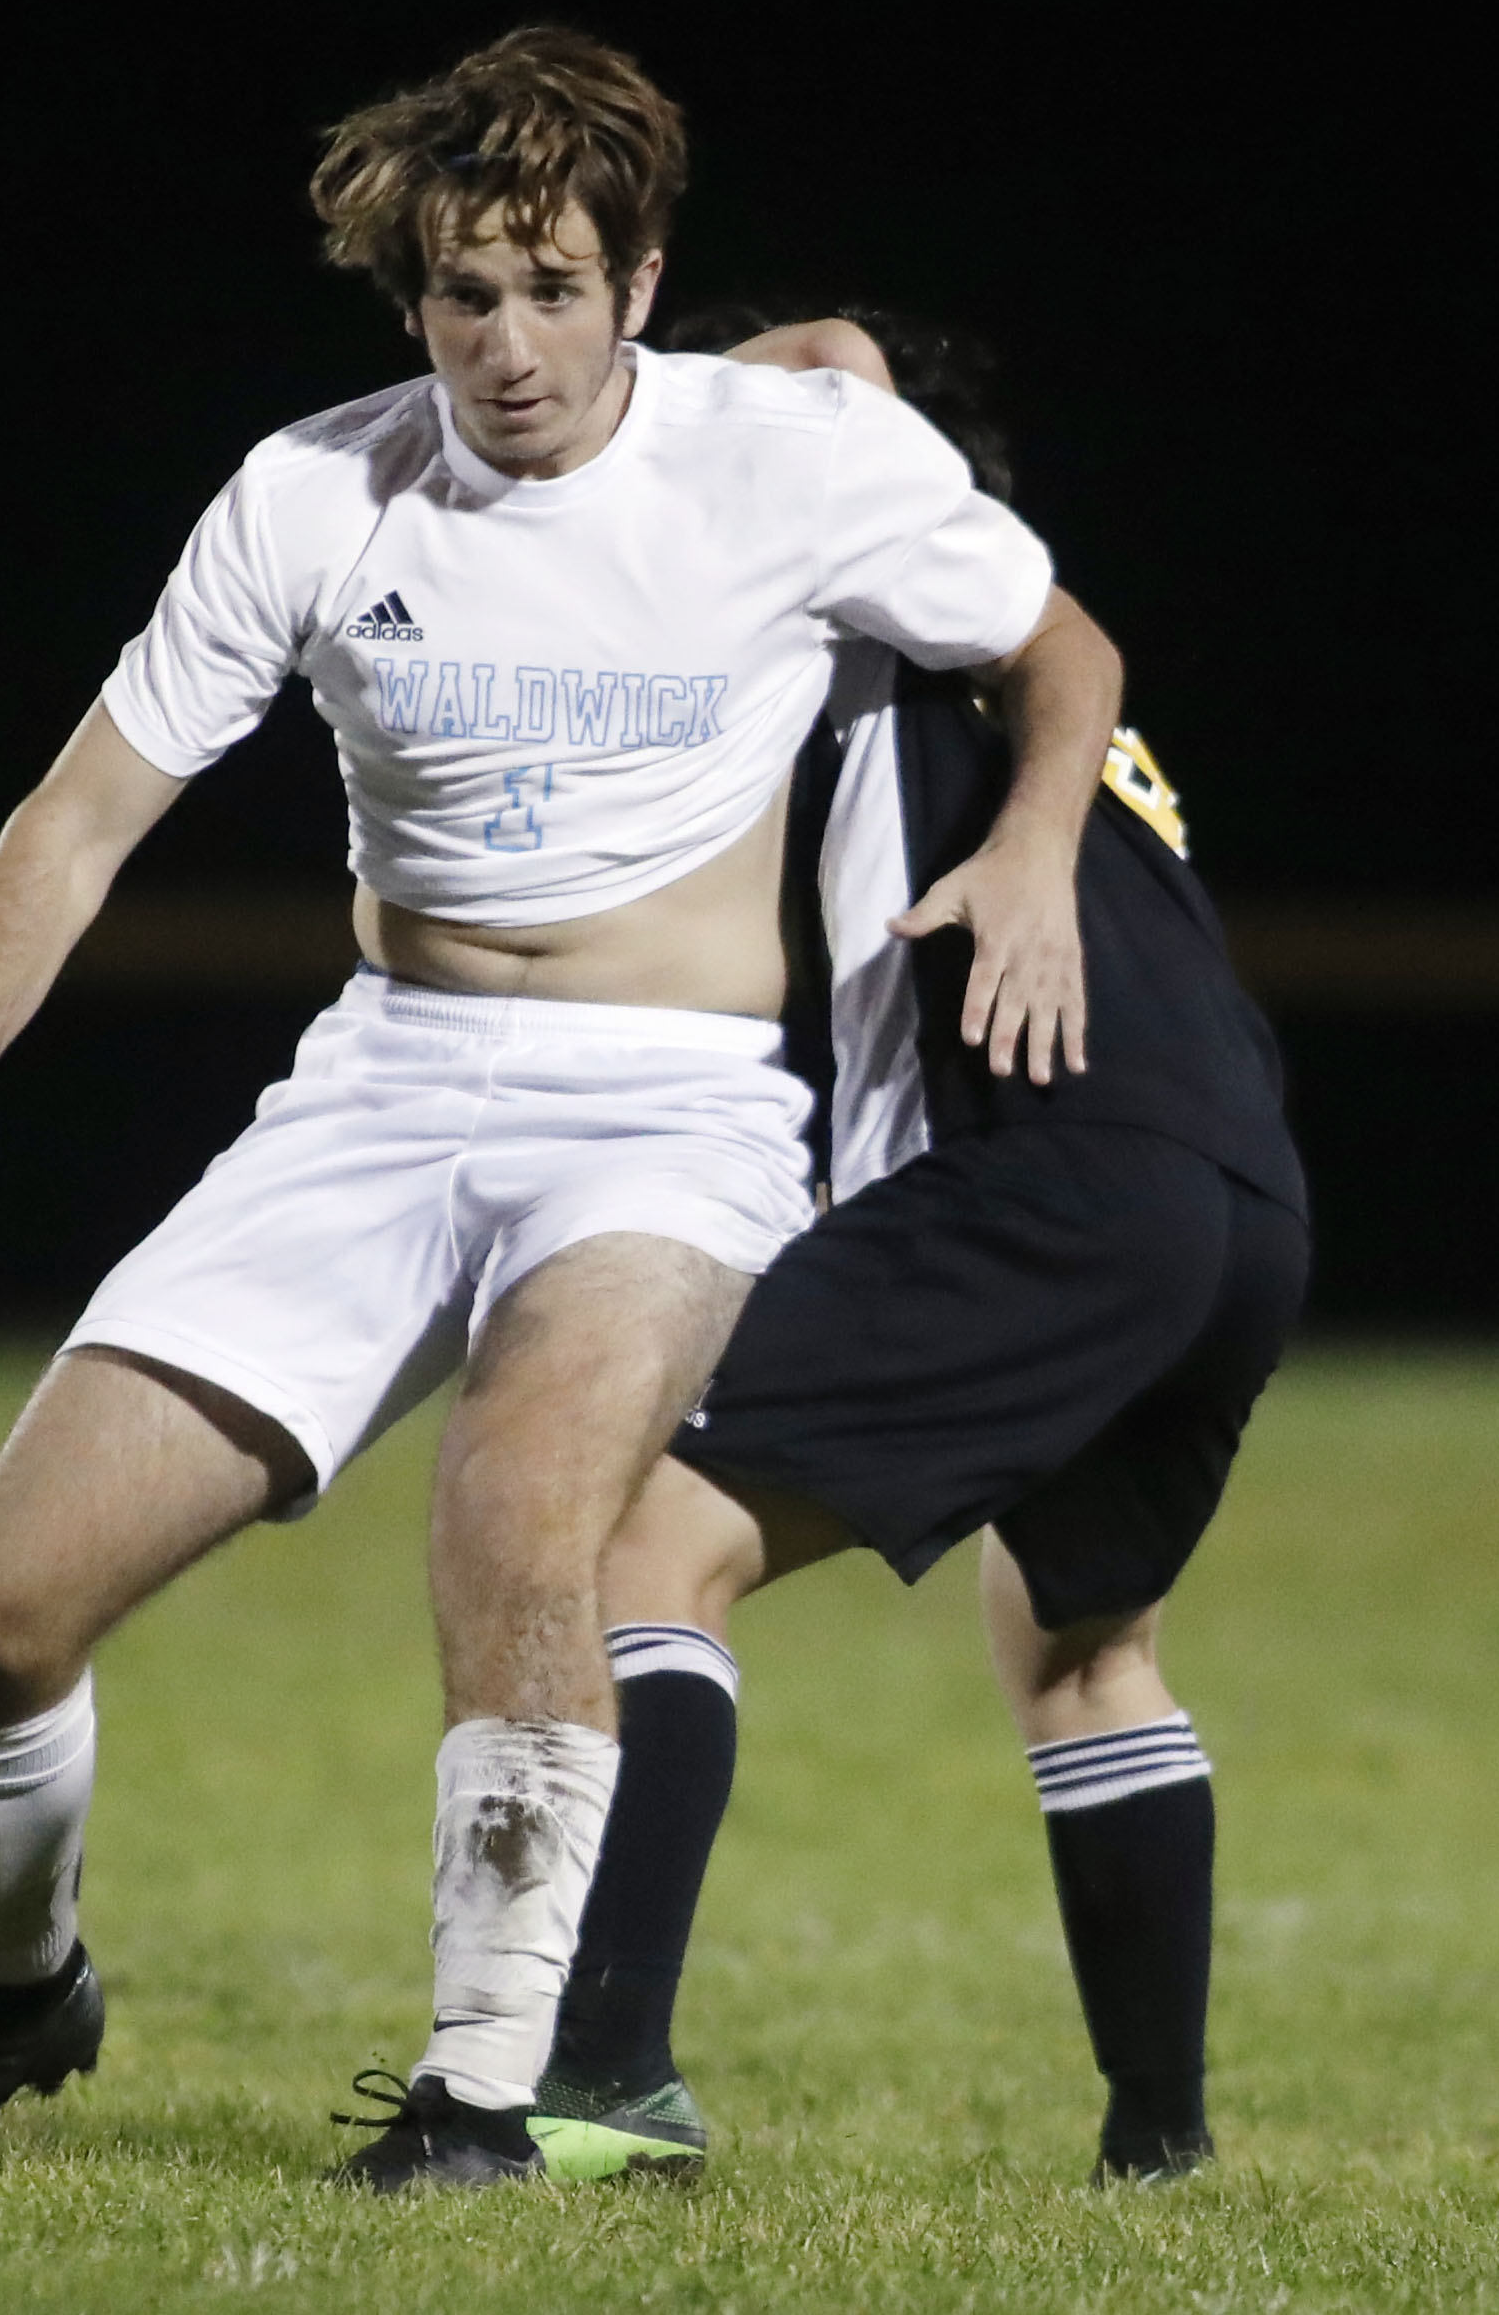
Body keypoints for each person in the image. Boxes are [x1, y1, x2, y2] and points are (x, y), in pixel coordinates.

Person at [0, 29, 1125, 2190]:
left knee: (515, 1523)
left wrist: (1042, 839)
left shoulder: (781, 458)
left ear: (640, 275)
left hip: (665, 1113)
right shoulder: (314, 490)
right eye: (460, 298)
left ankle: (480, 2094)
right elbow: (81, 811)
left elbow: (1055, 642)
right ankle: (18, 1984)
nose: (506, 348)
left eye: (554, 291)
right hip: (380, 1085)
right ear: (406, 294)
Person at [523, 308, 1306, 2188]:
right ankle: (1160, 2152)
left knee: (647, 1545)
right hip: (1238, 1201)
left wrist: (672, 392)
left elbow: (845, 360)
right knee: (1089, 1649)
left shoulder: (892, 586)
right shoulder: (1066, 727)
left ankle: (604, 2079)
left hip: (1058, 1170)